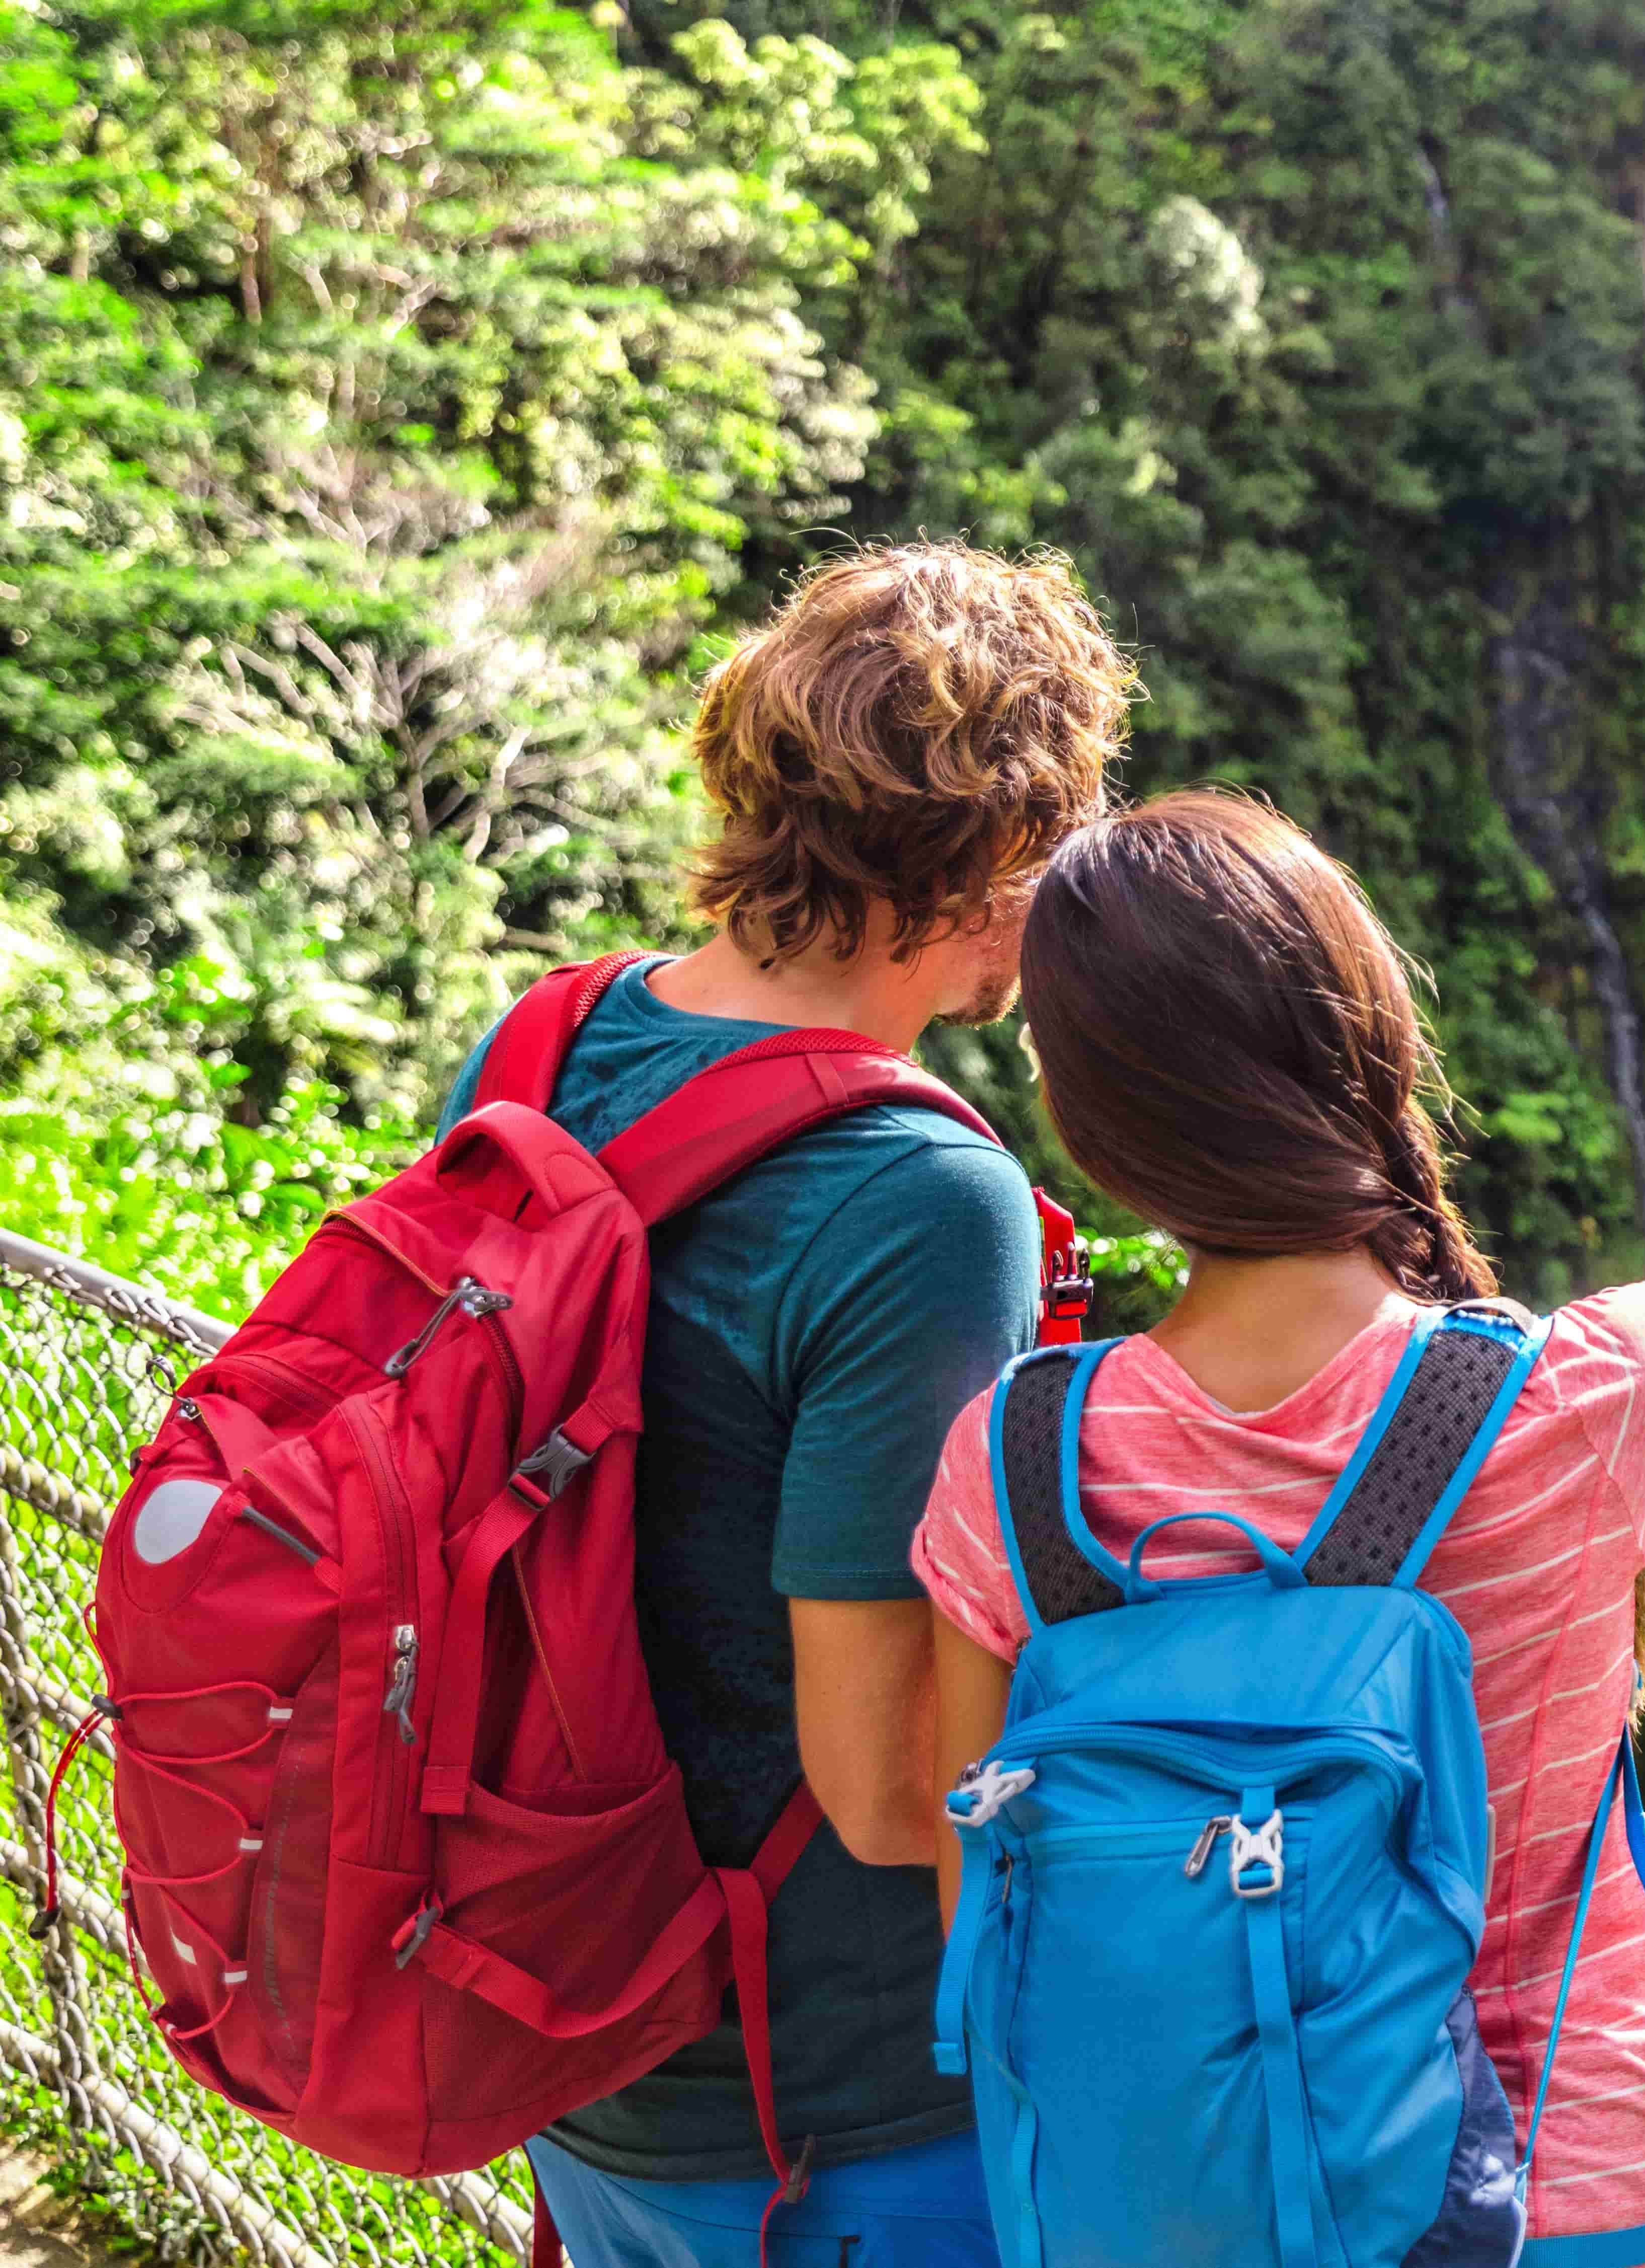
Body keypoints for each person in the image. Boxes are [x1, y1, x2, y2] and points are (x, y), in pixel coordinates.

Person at [909, 790, 1645, 2266]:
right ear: (1364, 1039)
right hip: (1558, 2204)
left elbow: (978, 1886)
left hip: (1166, 2213)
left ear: (1089, 1116)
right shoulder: (1570, 1397)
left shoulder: (1013, 1463)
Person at [434, 543, 1129, 2268]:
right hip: (827, 2110)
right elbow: (888, 1783)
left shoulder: (550, 1038)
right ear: (993, 858)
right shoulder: (918, 1197)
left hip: (567, 2013)